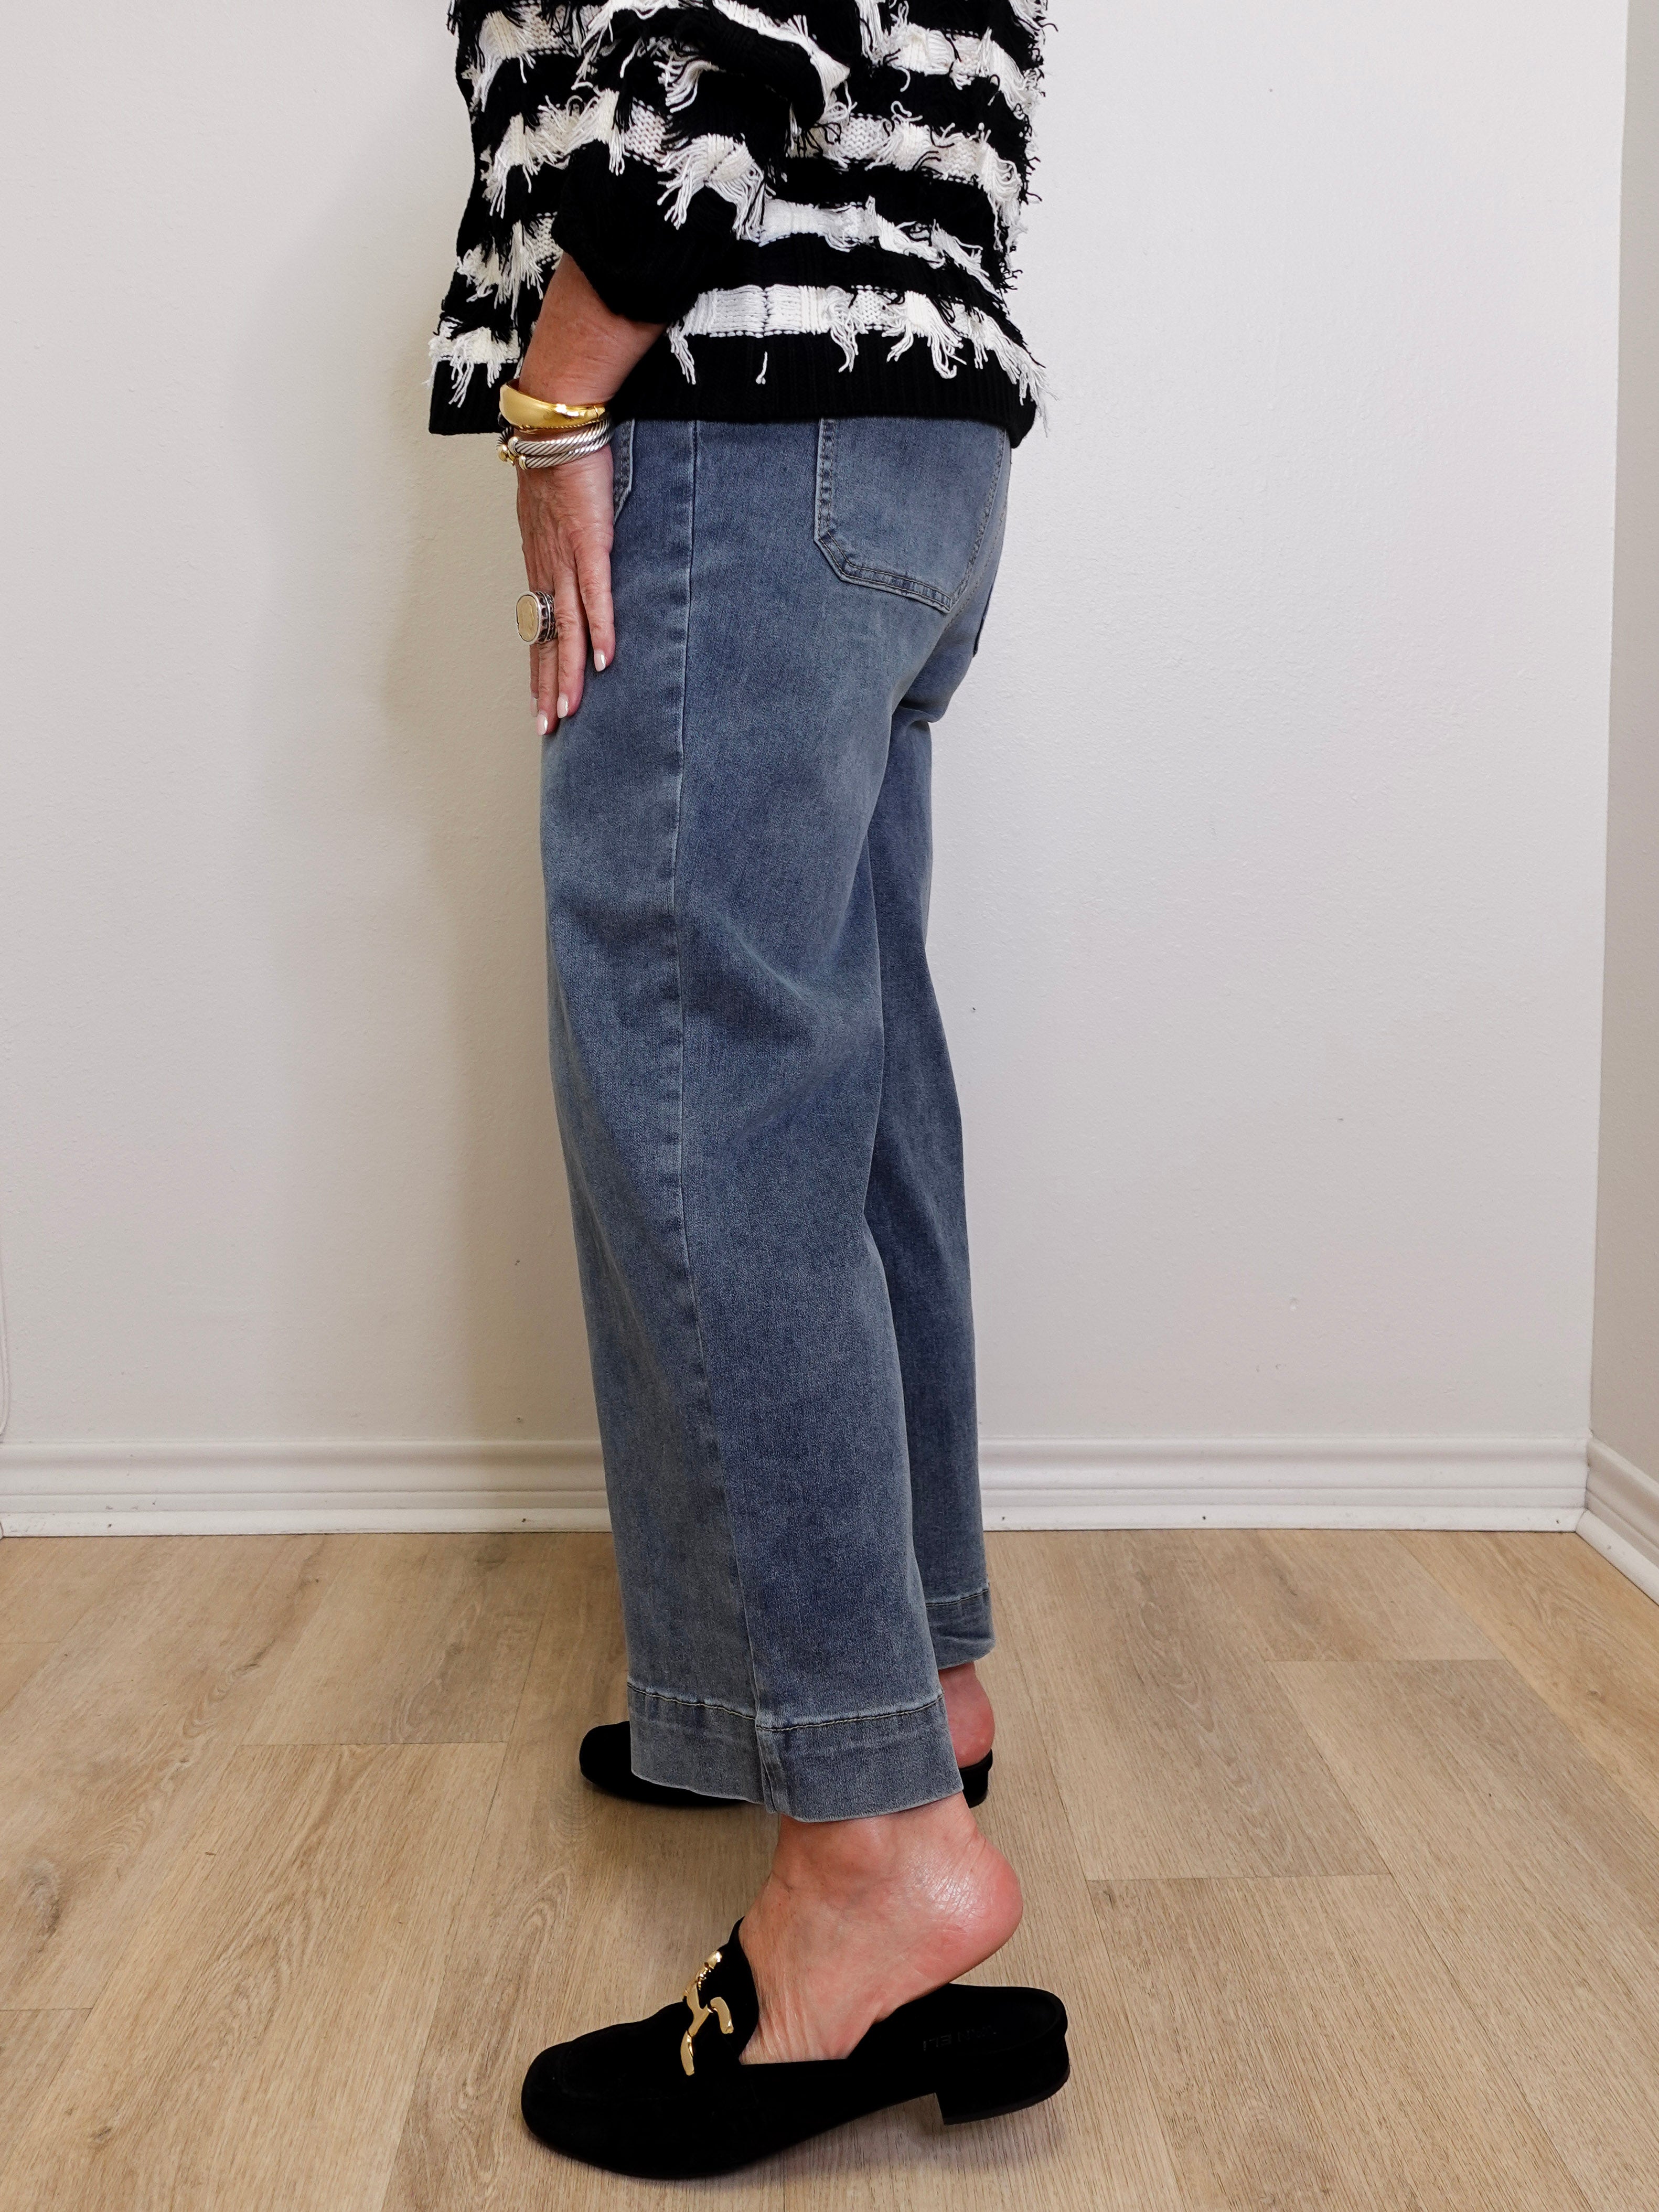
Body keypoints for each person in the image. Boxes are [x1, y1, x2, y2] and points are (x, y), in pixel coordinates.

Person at [431, 0, 1066, 2177]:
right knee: (841, 1090)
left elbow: (724, 30)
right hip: (898, 443)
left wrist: (557, 388)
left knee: (708, 1100)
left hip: (727, 407)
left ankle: (872, 1844)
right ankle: (919, 1691)